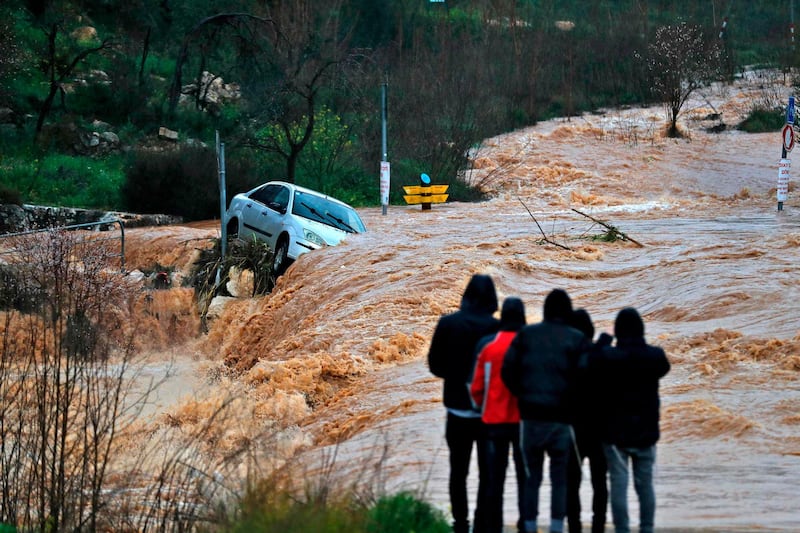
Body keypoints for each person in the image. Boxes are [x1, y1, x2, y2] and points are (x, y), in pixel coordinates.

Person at [501, 289, 590, 533]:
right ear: (568, 311)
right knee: (559, 478)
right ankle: (556, 527)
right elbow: (584, 378)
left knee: (532, 477)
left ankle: (529, 526)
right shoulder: (576, 338)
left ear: (545, 310)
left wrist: (523, 394)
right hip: (561, 419)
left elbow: (507, 370)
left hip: (530, 418)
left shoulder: (526, 335)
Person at [428, 274, 500, 533]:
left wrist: (457, 376)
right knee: (487, 473)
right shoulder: (496, 329)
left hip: (456, 408)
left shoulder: (448, 324)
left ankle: (460, 523)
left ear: (466, 295)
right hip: (487, 414)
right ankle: (482, 523)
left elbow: (434, 365)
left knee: (458, 471)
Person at [588, 307, 670, 533]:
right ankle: (647, 528)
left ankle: (622, 529)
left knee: (618, 485)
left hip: (615, 435)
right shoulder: (655, 357)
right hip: (646, 433)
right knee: (645, 487)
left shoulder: (609, 357)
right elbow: (664, 367)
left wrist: (606, 336)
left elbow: (591, 359)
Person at [470, 297, 532, 533]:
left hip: (493, 421)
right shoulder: (528, 344)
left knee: (494, 480)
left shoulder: (488, 346)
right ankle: (526, 524)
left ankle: (493, 526)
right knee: (525, 478)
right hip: (523, 422)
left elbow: (476, 388)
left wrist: (481, 407)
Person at [566, 308, 608, 533]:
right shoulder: (603, 355)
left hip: (574, 429)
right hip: (600, 429)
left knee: (571, 482)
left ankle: (574, 526)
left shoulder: (566, 358)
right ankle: (598, 525)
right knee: (599, 482)